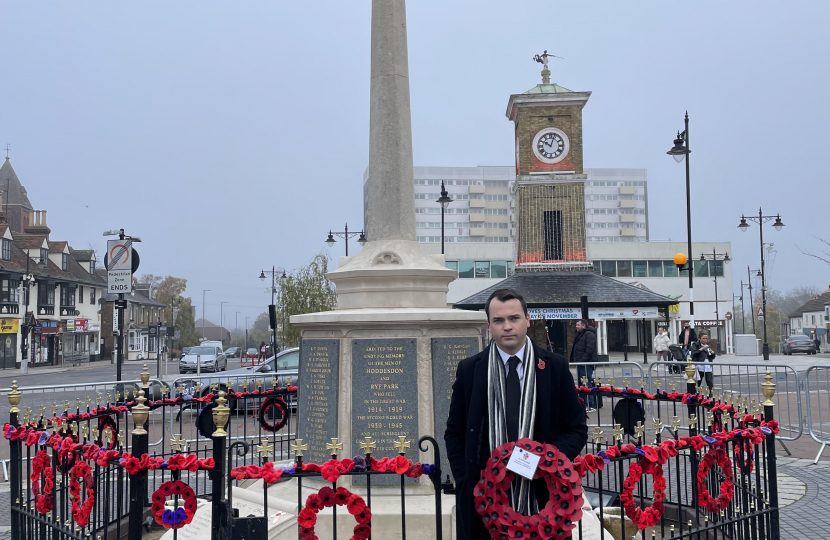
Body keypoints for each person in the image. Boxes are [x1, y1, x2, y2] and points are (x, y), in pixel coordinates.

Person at [444, 289, 588, 540]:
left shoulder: (553, 367)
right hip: (483, 499)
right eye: (498, 321)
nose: (507, 327)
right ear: (489, 325)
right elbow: (455, 432)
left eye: (514, 318)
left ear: (527, 319)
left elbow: (575, 428)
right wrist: (466, 478)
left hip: (543, 496)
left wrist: (544, 462)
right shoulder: (470, 370)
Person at [570, 319, 598, 412]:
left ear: (583, 326)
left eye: (578, 325)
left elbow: (590, 349)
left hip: (586, 363)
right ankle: (583, 403)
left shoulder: (589, 334)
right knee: (582, 384)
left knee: (587, 383)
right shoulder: (580, 334)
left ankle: (591, 404)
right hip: (580, 363)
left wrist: (582, 360)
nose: (576, 326)